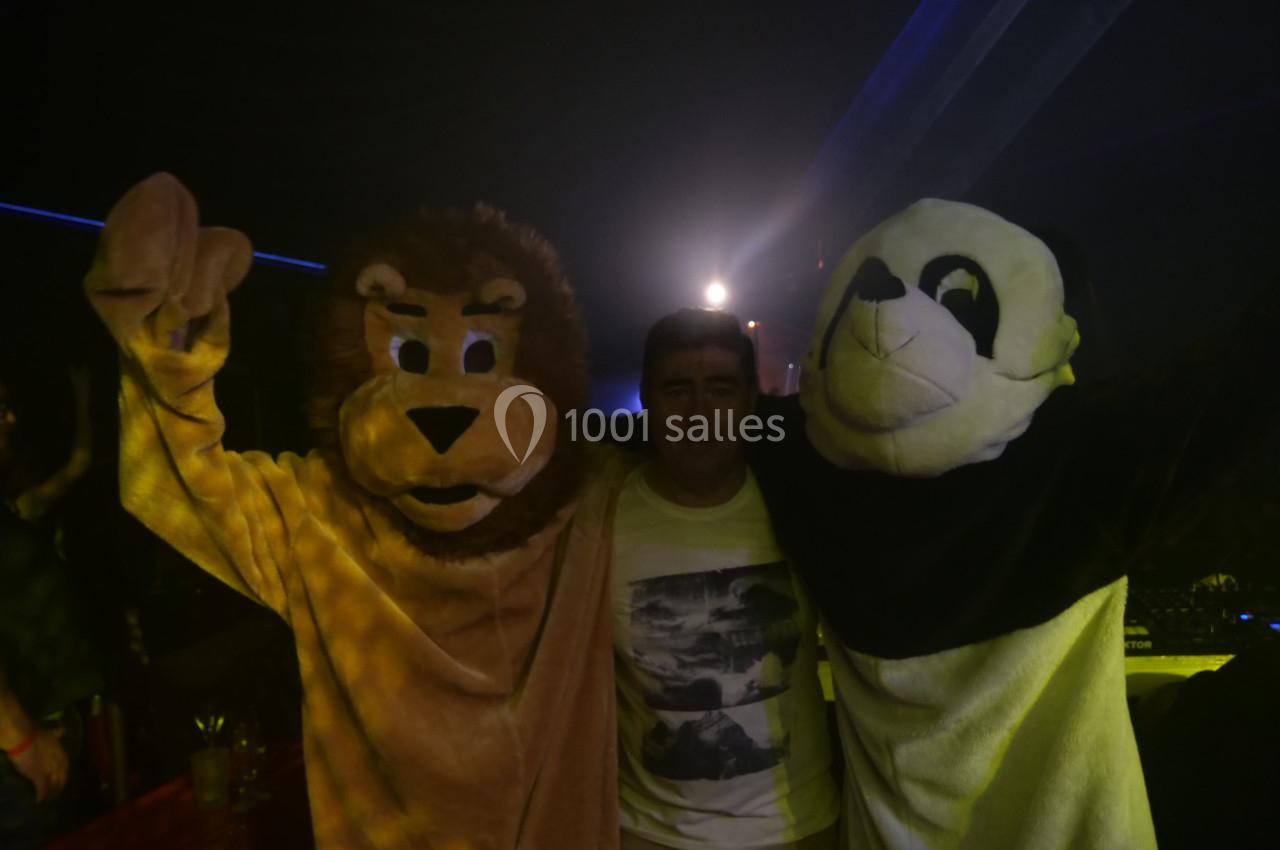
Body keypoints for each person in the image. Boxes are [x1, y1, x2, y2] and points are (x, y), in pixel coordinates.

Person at [612, 308, 839, 850]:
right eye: (677, 390)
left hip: (799, 828)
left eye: (720, 387)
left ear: (750, 399)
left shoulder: (800, 506)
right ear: (647, 397)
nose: (700, 412)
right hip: (649, 834)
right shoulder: (601, 518)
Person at [0, 369, 103, 849]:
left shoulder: (19, 510)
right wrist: (20, 738)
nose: (11, 418)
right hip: (18, 752)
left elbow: (79, 463)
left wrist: (82, 397)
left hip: (53, 719)